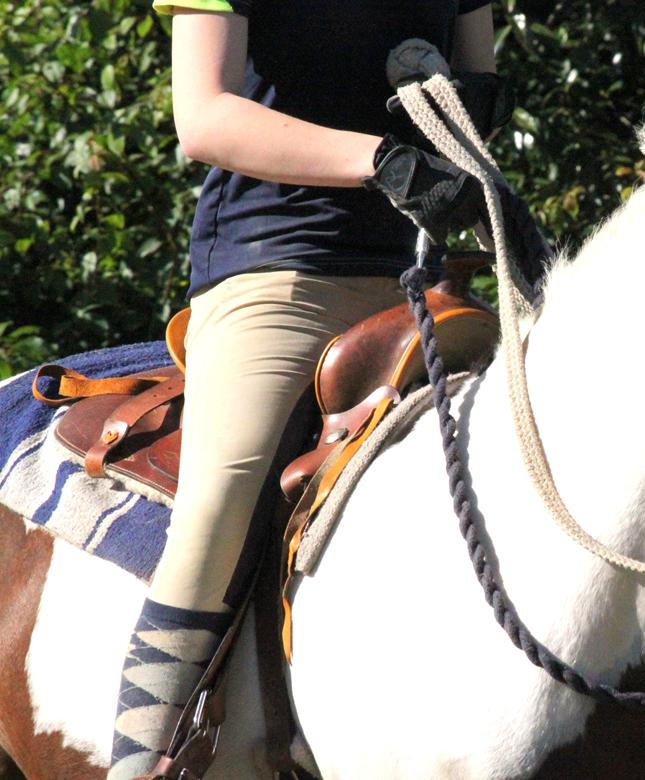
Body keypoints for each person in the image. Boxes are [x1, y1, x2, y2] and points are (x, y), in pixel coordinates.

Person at [109, 2, 496, 778]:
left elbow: (476, 88)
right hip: (278, 270)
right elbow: (205, 117)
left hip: (425, 280)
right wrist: (382, 159)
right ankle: (138, 760)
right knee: (220, 500)